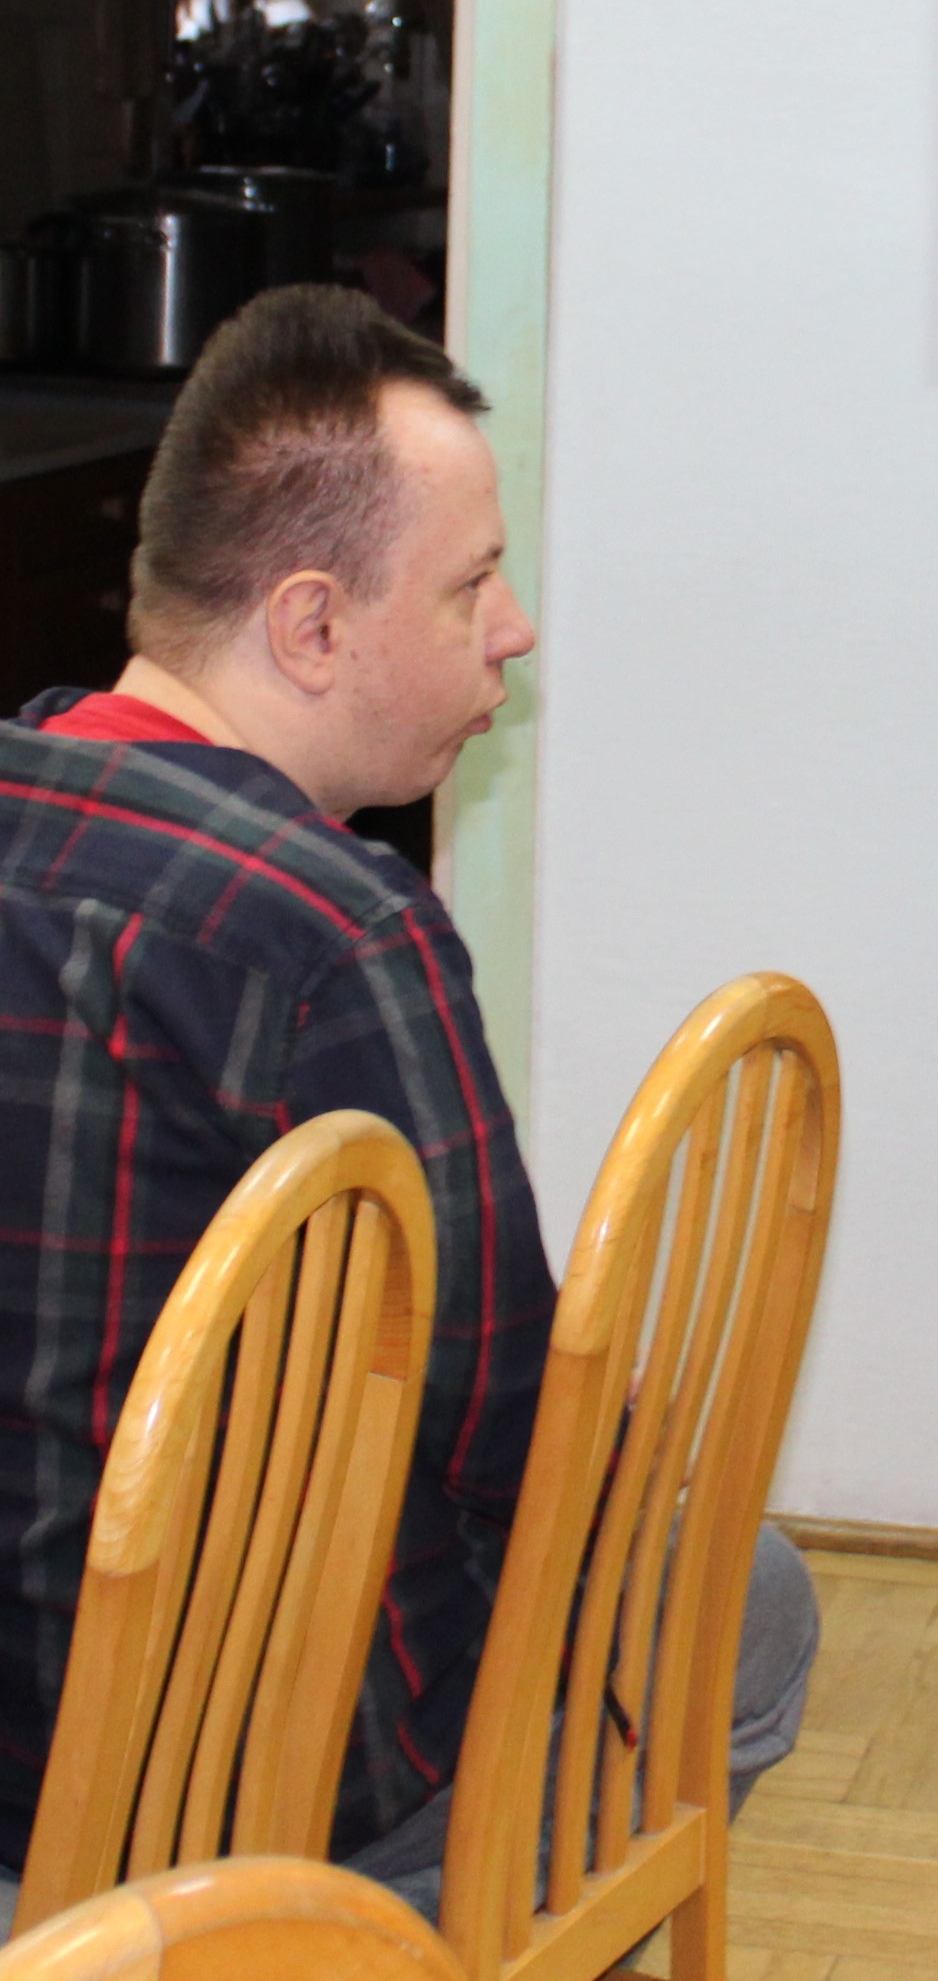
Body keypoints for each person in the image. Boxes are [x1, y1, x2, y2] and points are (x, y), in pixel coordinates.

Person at [0, 286, 817, 1921]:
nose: (513, 627)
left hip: (30, 1737)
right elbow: (516, 1439)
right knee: (758, 1600)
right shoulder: (335, 937)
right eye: (470, 583)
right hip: (228, 1797)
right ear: (310, 628)